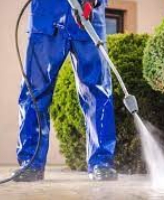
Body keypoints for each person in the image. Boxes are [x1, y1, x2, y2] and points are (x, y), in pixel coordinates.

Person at [13, 0, 117, 182]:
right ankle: (30, 162)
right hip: (46, 15)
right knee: (34, 92)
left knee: (98, 91)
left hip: (89, 15)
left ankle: (101, 162)